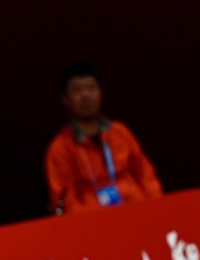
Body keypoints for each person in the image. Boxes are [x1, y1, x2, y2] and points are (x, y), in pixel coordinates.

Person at [44, 61, 165, 214]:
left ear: (100, 93)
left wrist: (159, 208)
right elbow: (64, 202)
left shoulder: (121, 132)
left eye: (91, 88)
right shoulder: (59, 148)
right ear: (65, 100)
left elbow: (146, 176)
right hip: (92, 220)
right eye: (77, 90)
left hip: (138, 211)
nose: (86, 95)